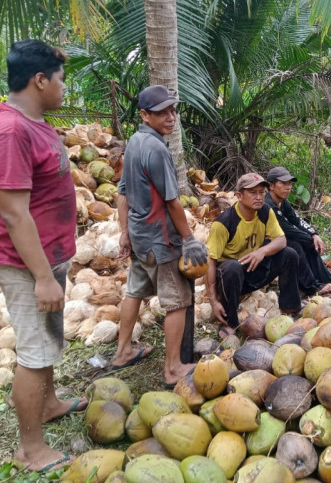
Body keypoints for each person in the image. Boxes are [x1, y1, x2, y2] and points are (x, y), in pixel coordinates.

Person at [0, 40, 81, 473]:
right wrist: (42, 276)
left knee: (48, 341)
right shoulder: (10, 132)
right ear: (39, 80)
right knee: (35, 353)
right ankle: (30, 450)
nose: (64, 88)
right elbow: (13, 212)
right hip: (27, 264)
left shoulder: (33, 120)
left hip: (48, 257)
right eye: (61, 80)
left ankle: (50, 404)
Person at [112, 85, 209, 387]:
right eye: (162, 112)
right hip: (160, 239)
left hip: (140, 236)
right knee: (177, 301)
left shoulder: (134, 142)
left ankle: (123, 351)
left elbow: (122, 194)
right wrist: (189, 238)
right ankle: (173, 368)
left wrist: (125, 232)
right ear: (144, 114)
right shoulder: (156, 148)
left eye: (173, 110)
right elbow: (172, 201)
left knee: (135, 290)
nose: (171, 117)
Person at [206, 173, 302, 337]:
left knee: (289, 254)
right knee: (232, 266)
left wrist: (261, 251)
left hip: (253, 269)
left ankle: (290, 308)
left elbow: (281, 240)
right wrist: (213, 301)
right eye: (253, 192)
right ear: (239, 196)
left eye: (261, 192)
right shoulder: (223, 223)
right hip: (230, 280)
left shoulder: (265, 211)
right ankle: (231, 323)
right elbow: (210, 262)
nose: (259, 197)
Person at [264, 166, 331, 295]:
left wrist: (314, 234)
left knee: (307, 242)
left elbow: (296, 220)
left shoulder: (283, 202)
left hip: (279, 238)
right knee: (296, 245)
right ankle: (311, 286)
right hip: (265, 243)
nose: (288, 187)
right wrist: (309, 239)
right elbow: (287, 230)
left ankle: (326, 279)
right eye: (283, 183)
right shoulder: (268, 205)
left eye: (289, 184)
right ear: (271, 186)